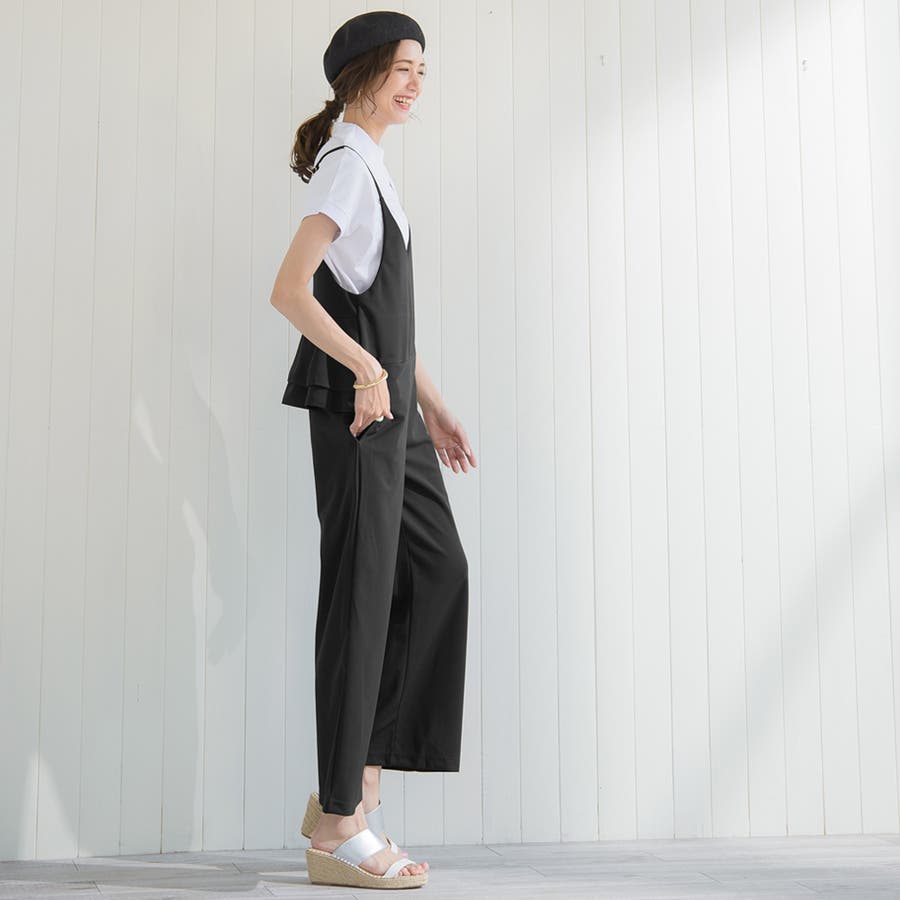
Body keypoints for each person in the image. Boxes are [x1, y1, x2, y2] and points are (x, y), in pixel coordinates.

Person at [269, 10, 477, 891]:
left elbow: (382, 308)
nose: (416, 83)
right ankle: (340, 828)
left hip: (397, 415)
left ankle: (351, 789)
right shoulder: (347, 166)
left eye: (423, 69)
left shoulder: (373, 165)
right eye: (402, 67)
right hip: (358, 414)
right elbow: (290, 291)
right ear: (359, 74)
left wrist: (434, 404)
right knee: (361, 601)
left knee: (436, 573)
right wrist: (364, 371)